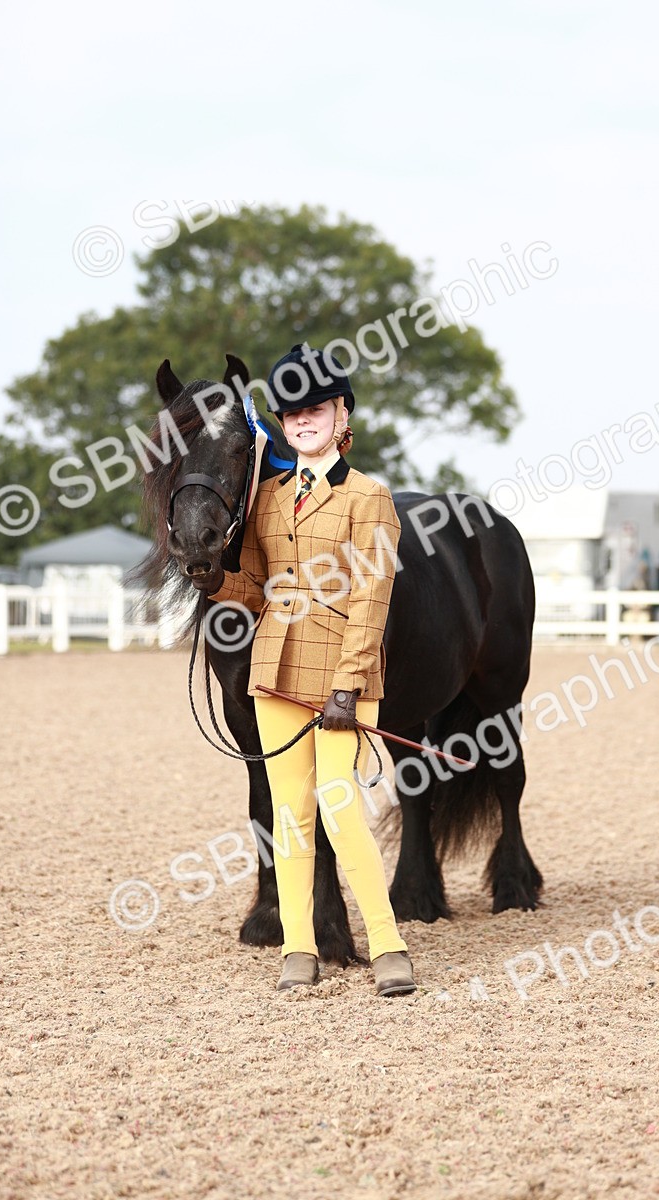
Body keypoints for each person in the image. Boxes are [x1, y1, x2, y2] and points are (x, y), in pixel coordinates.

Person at [196, 344, 416, 998]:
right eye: (291, 413)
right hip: (276, 675)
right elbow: (259, 587)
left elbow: (372, 596)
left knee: (341, 808)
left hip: (341, 680)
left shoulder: (369, 499)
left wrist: (349, 684)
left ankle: (388, 943)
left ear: (341, 412)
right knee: (289, 816)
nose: (301, 422)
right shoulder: (266, 498)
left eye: (314, 408)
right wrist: (215, 580)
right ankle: (299, 947)